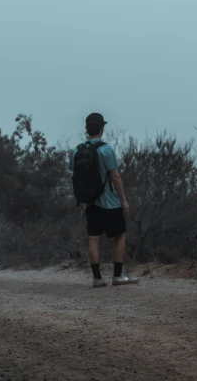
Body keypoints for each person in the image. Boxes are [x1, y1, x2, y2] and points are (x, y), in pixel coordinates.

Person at [68, 113, 139, 288]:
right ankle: (117, 275)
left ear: (86, 129)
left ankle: (97, 278)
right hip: (109, 202)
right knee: (120, 234)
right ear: (102, 128)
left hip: (89, 203)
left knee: (94, 238)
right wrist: (123, 200)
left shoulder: (76, 150)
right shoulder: (106, 149)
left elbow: (74, 174)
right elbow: (115, 175)